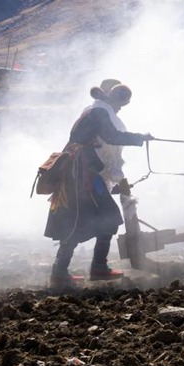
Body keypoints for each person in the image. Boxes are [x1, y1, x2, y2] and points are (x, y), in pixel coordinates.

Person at [44, 83, 152, 289]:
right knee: (98, 218)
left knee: (79, 220)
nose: (120, 109)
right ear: (117, 100)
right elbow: (113, 137)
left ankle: (70, 270)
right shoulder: (100, 112)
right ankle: (91, 268)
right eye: (122, 104)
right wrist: (141, 138)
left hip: (82, 173)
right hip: (82, 175)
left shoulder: (95, 110)